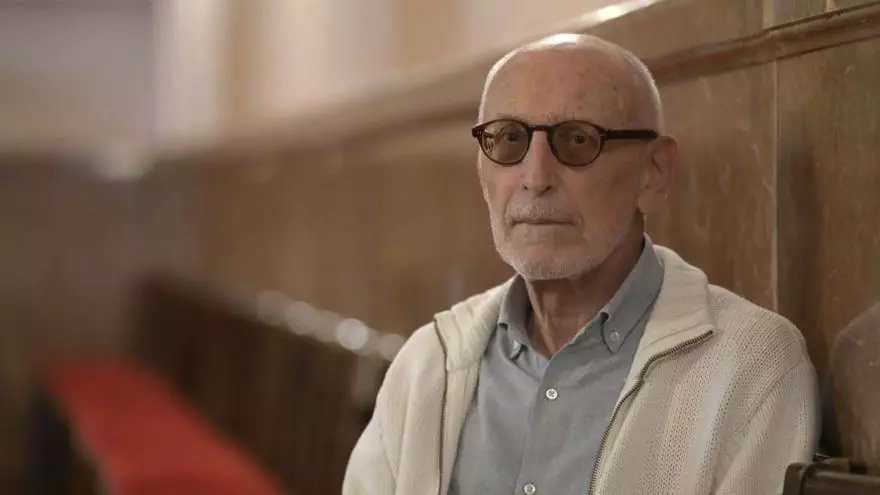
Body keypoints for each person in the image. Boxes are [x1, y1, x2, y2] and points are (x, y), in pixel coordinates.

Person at [343, 33, 819, 495]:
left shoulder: (752, 367)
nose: (535, 178)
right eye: (508, 139)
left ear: (653, 173)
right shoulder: (427, 365)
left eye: (577, 140)